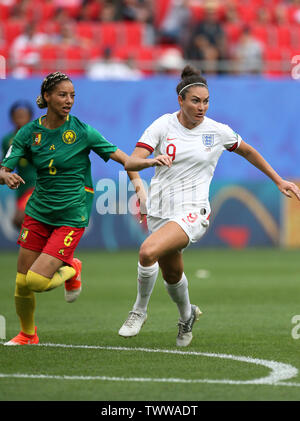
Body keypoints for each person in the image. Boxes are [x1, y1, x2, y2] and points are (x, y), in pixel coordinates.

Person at [118, 65, 300, 347]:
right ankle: (187, 315)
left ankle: (138, 312)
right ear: (180, 100)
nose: (201, 107)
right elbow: (132, 161)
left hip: (194, 211)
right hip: (160, 209)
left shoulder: (217, 131)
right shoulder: (163, 125)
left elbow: (248, 151)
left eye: (205, 101)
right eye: (195, 101)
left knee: (147, 251)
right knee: (172, 274)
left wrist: (278, 180)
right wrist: (142, 186)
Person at [0, 71, 144, 346]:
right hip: (39, 209)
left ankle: (72, 268)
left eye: (72, 96)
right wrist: (5, 175)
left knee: (36, 282)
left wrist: (145, 169)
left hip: (72, 211)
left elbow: (124, 159)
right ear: (46, 97)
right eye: (63, 95)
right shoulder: (27, 134)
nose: (69, 101)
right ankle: (28, 335)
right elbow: (3, 169)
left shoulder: (81, 131)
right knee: (21, 282)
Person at [1, 101, 36, 229]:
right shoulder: (7, 140)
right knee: (22, 223)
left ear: (29, 117)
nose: (20, 118)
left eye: (23, 115)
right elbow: (5, 166)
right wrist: (4, 175)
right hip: (21, 185)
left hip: (37, 184)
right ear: (12, 118)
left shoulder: (36, 137)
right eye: (17, 115)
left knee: (19, 218)